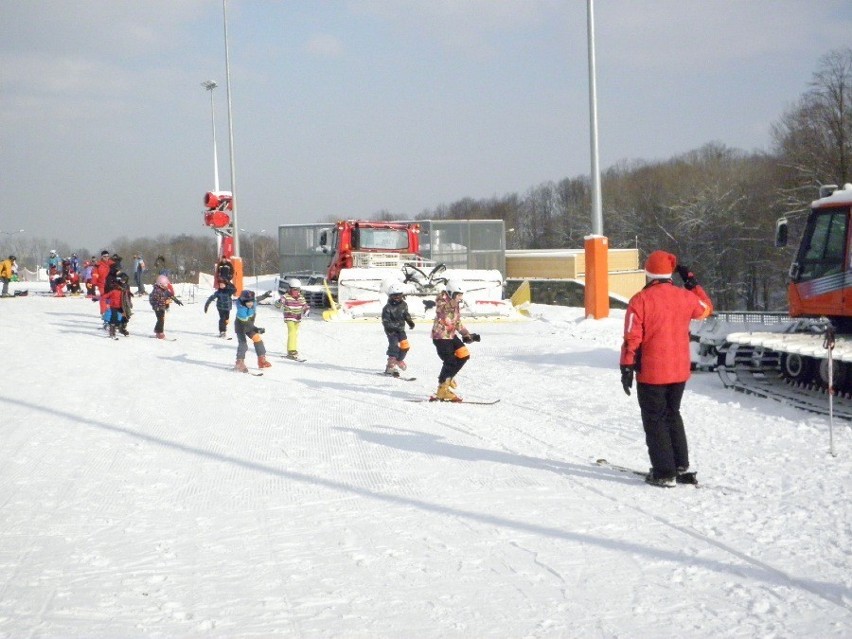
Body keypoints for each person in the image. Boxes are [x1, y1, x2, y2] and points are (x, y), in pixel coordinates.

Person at [619, 250, 713, 488]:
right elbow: (705, 309)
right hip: (679, 371)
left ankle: (664, 472)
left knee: (655, 419)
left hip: (652, 372)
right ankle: (680, 464)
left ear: (648, 273)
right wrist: (692, 282)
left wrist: (627, 366)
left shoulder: (640, 300)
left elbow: (632, 337)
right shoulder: (685, 296)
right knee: (673, 413)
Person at [430, 280, 480, 401]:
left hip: (451, 335)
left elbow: (457, 322)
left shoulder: (455, 304)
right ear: (451, 293)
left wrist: (467, 334)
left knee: (464, 354)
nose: (460, 297)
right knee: (450, 362)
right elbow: (442, 310)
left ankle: (449, 377)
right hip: (441, 337)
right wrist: (453, 302)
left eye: (461, 295)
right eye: (458, 294)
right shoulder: (441, 300)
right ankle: (442, 390)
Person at [381, 282, 415, 376]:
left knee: (405, 345)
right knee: (394, 345)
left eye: (399, 295)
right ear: (390, 296)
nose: (397, 297)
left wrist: (410, 322)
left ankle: (399, 360)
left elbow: (406, 314)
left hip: (400, 329)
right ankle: (390, 365)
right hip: (391, 331)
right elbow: (385, 321)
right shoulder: (387, 308)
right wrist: (391, 327)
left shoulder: (404, 305)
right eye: (394, 296)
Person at [234, 289, 272, 372]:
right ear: (243, 302)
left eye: (251, 301)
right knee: (243, 344)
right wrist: (256, 329)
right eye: (248, 302)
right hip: (241, 327)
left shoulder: (252, 303)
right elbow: (247, 324)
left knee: (257, 339)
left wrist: (265, 295)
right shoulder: (241, 311)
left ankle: (261, 360)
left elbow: (256, 299)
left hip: (250, 326)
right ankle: (239, 362)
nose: (250, 303)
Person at [274, 278, 310, 360]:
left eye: (297, 290)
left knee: (295, 333)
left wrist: (306, 310)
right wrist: (279, 302)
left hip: (297, 318)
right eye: (294, 289)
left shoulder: (301, 297)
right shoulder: (285, 297)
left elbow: (304, 305)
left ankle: (293, 349)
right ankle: (291, 351)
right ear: (289, 289)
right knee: (292, 332)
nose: (296, 291)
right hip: (289, 317)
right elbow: (277, 305)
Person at [148, 274, 183, 339]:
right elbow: (155, 300)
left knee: (161, 319)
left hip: (162, 307)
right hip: (158, 308)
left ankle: (157, 331)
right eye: (165, 285)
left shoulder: (164, 290)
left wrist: (176, 300)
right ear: (160, 284)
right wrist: (164, 301)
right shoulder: (156, 291)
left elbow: (170, 295)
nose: (166, 286)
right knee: (161, 320)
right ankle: (160, 333)